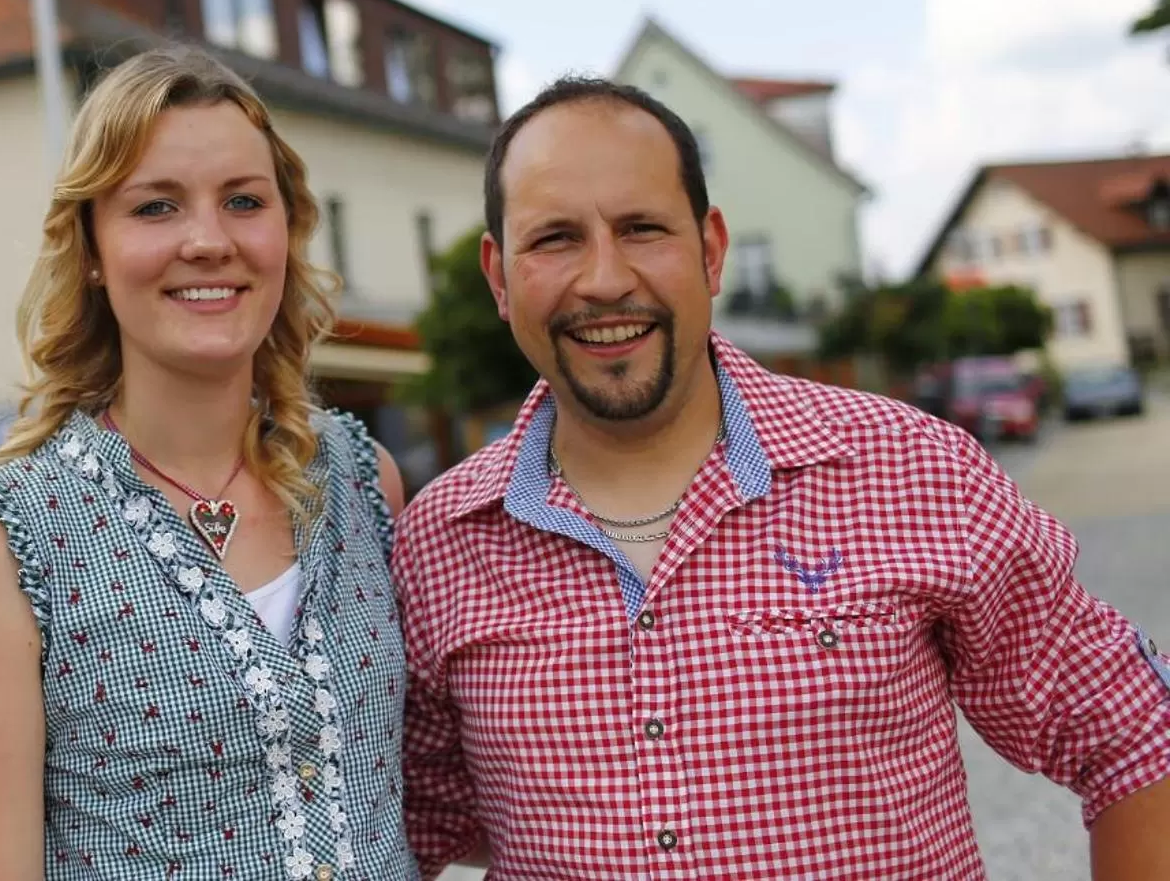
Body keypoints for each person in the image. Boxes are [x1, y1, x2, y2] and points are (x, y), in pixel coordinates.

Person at [395, 75, 1170, 878]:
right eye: (555, 238)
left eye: (642, 228)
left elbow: (1135, 730)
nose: (604, 278)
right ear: (499, 275)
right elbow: (398, 826)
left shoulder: (908, 470)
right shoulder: (439, 544)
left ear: (711, 249)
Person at [0, 46, 417, 881]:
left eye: (244, 201)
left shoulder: (363, 480)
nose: (209, 240)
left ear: (286, 231)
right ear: (92, 249)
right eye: (156, 206)